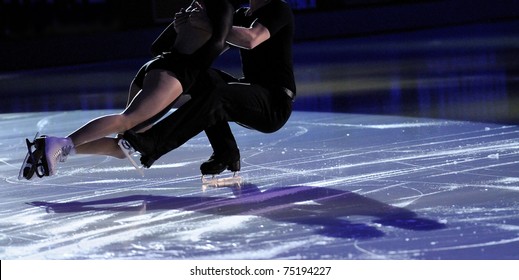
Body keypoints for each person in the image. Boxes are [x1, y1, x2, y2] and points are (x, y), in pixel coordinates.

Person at [22, 0, 242, 179]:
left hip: (158, 67)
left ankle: (52, 146)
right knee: (128, 119)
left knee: (122, 147)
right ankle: (62, 143)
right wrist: (195, 69)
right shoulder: (222, 6)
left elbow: (157, 47)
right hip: (175, 72)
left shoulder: (193, 8)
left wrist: (183, 33)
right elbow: (216, 43)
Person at [123, 0, 296, 177]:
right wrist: (182, 28)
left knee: (220, 95)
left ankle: (155, 142)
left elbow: (252, 39)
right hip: (250, 90)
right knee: (200, 77)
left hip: (274, 102)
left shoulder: (279, 8)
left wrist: (208, 24)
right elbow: (211, 46)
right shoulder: (240, 15)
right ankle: (226, 152)